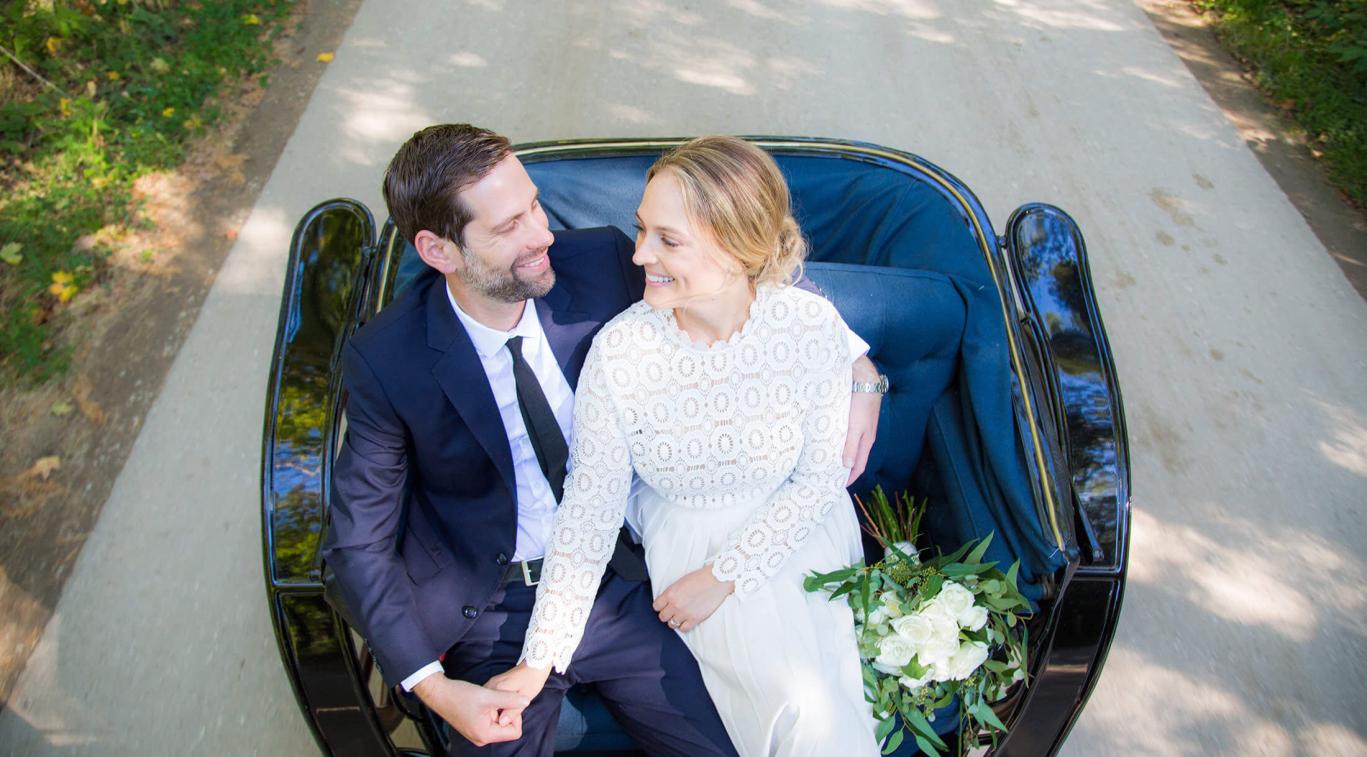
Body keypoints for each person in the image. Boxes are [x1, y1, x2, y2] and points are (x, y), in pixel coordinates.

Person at [323, 124, 886, 755]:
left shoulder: (596, 260)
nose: (542, 236)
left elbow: (736, 269)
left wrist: (856, 364)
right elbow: (355, 543)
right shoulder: (386, 359)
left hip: (626, 582)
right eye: (509, 226)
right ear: (439, 250)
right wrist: (433, 685)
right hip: (491, 606)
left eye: (535, 205)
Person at [491, 137, 882, 756]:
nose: (640, 253)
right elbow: (588, 513)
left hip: (802, 532)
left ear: (736, 245)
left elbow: (817, 480)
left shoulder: (806, 325)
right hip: (687, 547)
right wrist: (539, 661)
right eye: (643, 229)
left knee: (818, 706)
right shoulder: (621, 354)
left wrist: (724, 576)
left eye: (668, 240)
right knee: (799, 708)